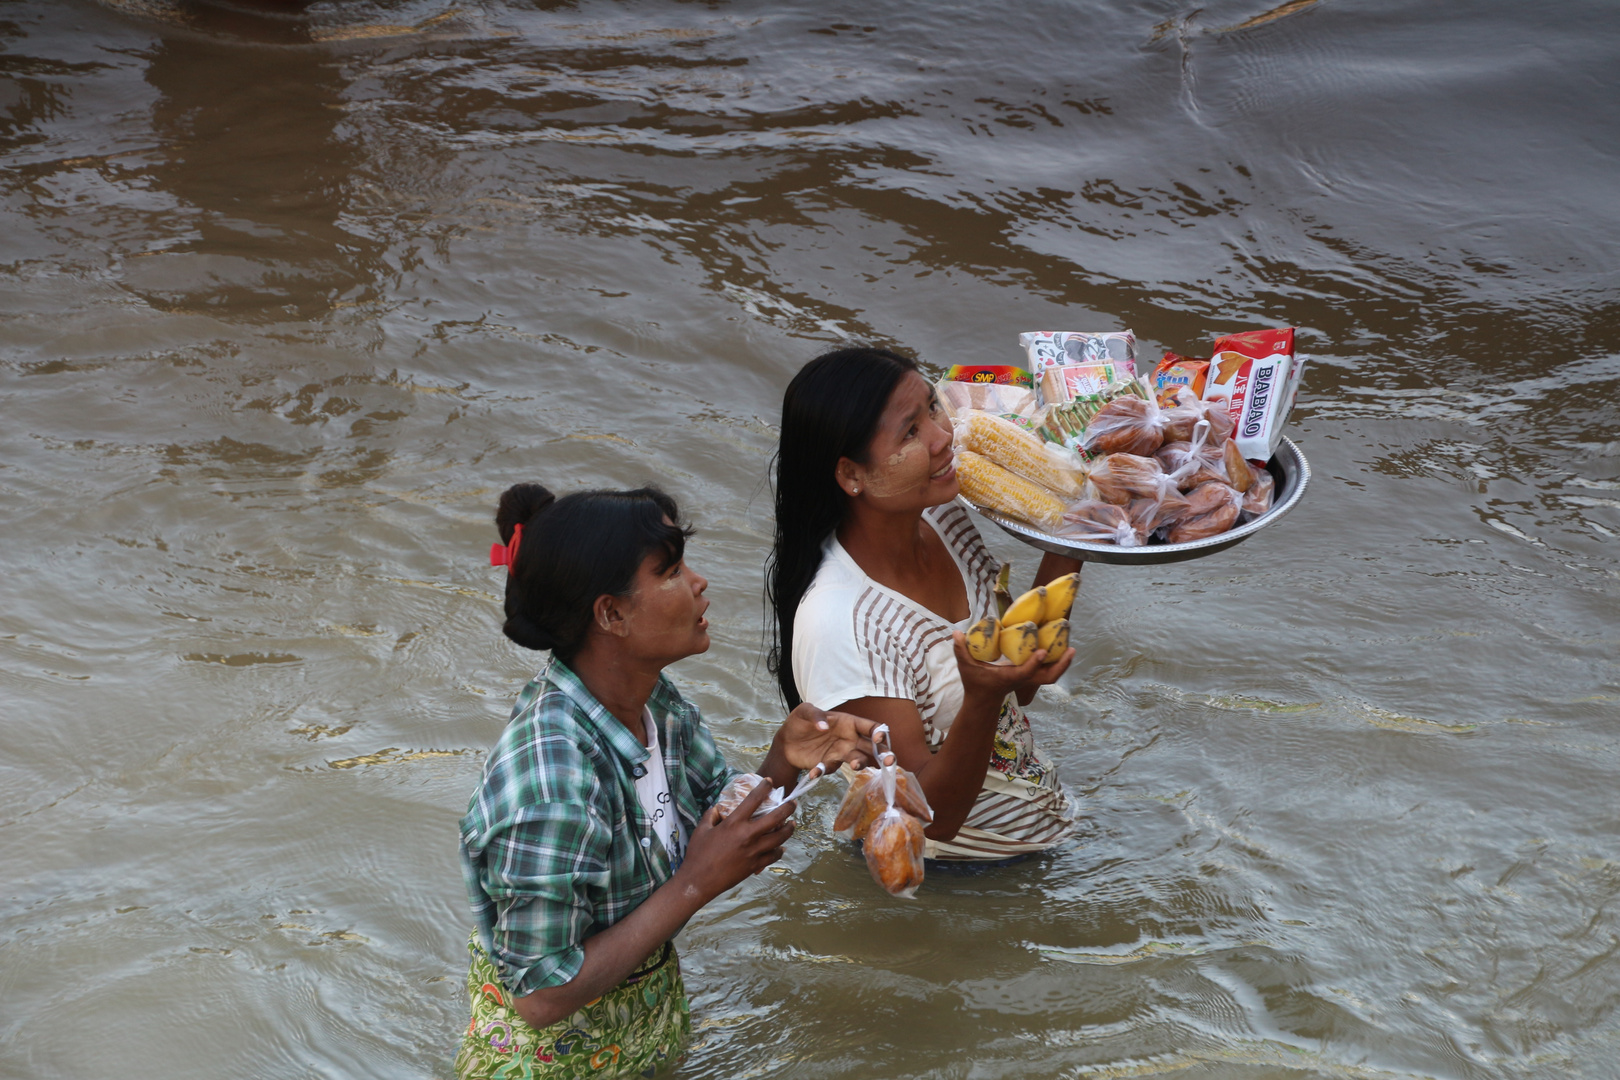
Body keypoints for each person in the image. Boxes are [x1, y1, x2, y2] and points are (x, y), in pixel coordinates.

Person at [457, 482, 875, 1079]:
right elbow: (539, 995)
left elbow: (715, 819)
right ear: (611, 613)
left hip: (643, 1038)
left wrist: (786, 759)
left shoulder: (657, 706)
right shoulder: (552, 780)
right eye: (673, 570)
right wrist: (692, 887)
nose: (699, 582)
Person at [767, 347, 1084, 862]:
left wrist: (1078, 532)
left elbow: (1017, 685)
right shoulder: (840, 622)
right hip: (958, 884)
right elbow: (928, 818)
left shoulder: (941, 518)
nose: (943, 438)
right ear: (851, 475)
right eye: (910, 432)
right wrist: (982, 698)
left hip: (1040, 833)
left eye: (934, 408)